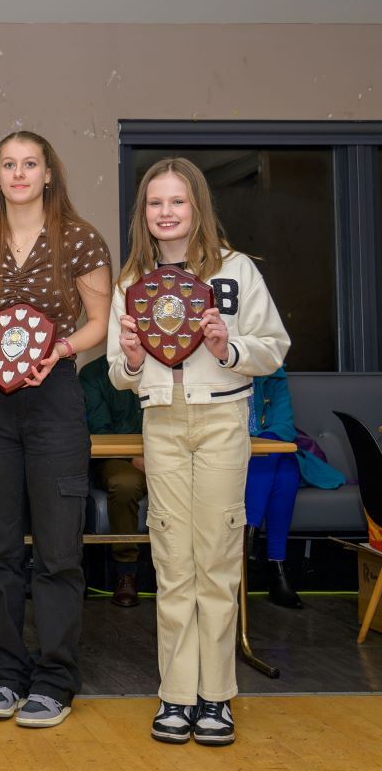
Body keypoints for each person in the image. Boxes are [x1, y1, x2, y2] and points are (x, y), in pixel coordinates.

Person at [109, 157, 289, 746]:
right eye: (156, 203)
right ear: (144, 214)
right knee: (171, 558)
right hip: (162, 422)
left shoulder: (235, 271)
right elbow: (118, 372)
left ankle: (216, 696)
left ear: (198, 208)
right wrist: (134, 359)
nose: (166, 212)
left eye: (178, 202)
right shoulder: (131, 280)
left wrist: (226, 344)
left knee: (214, 558)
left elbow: (273, 349)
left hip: (222, 419)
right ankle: (176, 695)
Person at [0, 131, 111, 728]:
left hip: (55, 399)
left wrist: (60, 348)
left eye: (30, 164)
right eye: (8, 165)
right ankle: (5, 674)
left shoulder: (80, 240)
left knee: (58, 550)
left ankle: (55, 679)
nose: (18, 174)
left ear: (48, 174)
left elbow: (101, 322)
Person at [245, 366, 344, 609]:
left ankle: (246, 542)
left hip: (266, 456)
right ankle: (276, 569)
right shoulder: (216, 374)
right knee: (283, 467)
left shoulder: (272, 373)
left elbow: (285, 426)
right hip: (227, 458)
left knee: (284, 465)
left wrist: (264, 445)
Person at [79, 355, 147, 607]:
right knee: (125, 484)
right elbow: (99, 429)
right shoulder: (94, 373)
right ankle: (126, 573)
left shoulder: (165, 364)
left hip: (169, 451)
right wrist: (134, 456)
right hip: (116, 457)